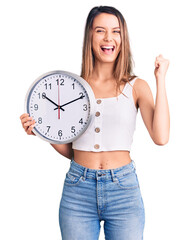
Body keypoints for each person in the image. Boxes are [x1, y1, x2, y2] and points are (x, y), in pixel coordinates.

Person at [20, 5, 170, 240]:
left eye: (116, 31)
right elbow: (72, 151)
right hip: (78, 190)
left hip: (123, 191)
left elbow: (161, 137)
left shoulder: (136, 86)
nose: (108, 38)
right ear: (90, 36)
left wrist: (160, 79)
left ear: (123, 38)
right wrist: (41, 132)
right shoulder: (72, 86)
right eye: (100, 30)